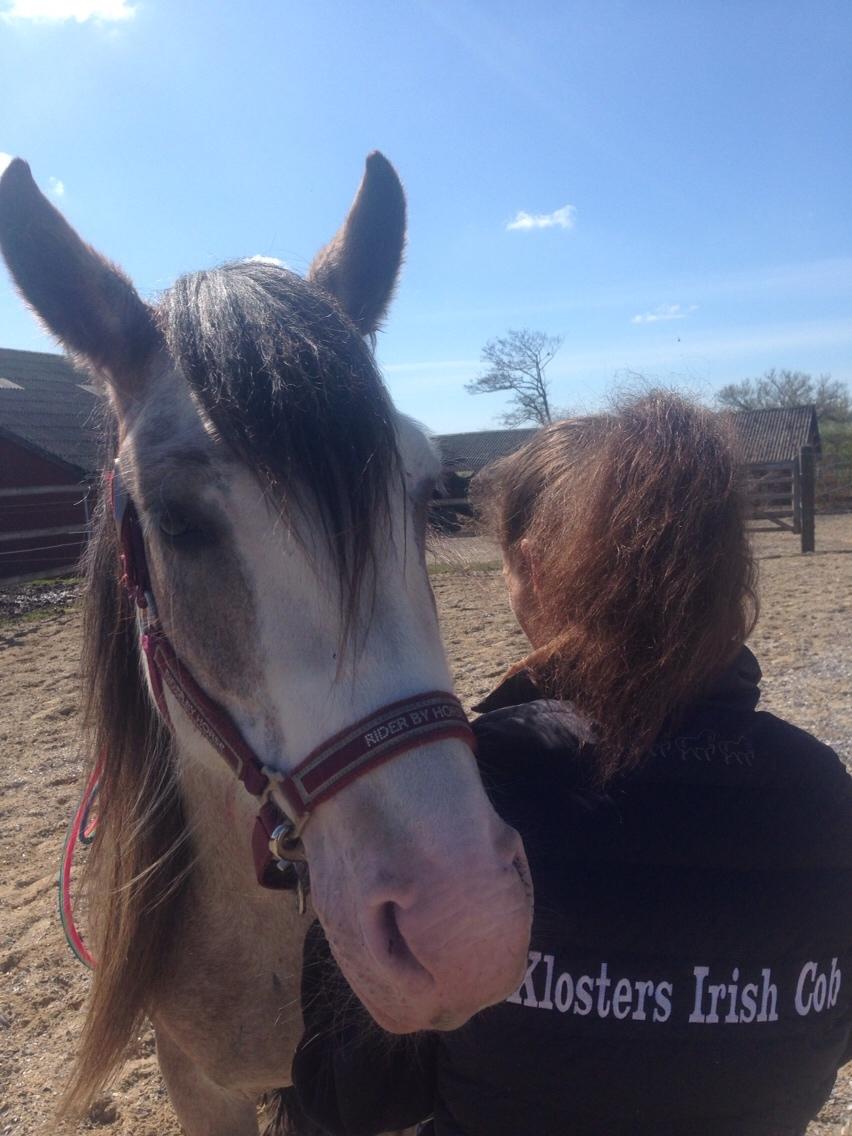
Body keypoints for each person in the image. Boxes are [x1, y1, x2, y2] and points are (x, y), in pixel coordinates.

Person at [290, 392, 852, 1136]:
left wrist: (333, 867)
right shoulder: (824, 792)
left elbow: (353, 1097)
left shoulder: (480, 786)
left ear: (532, 568)